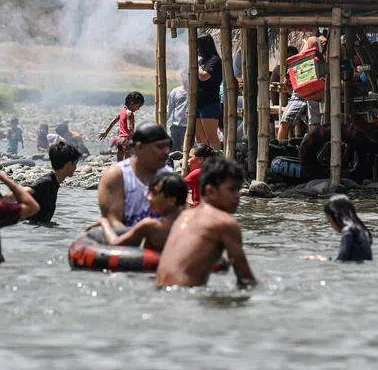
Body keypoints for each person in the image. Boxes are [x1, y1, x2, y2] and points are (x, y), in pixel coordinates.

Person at [156, 155, 256, 288]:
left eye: (238, 189)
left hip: (160, 290)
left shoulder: (184, 216)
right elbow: (246, 279)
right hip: (185, 296)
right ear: (210, 191)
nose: (238, 196)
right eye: (232, 190)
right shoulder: (225, 223)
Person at [97, 123, 173, 230]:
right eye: (160, 146)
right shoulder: (117, 175)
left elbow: (176, 214)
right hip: (123, 237)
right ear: (139, 147)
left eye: (168, 146)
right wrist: (141, 234)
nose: (166, 152)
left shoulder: (168, 174)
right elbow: (113, 221)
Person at [94, 171, 187, 252]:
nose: (149, 197)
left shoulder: (151, 225)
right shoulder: (188, 222)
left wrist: (104, 222)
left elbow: (115, 243)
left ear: (171, 200)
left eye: (154, 193)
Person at [21, 140, 81, 223]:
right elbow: (21, 193)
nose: (76, 167)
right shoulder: (46, 182)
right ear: (68, 164)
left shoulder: (53, 183)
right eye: (75, 162)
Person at [277, 37, 323, 143]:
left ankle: (314, 147)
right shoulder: (298, 60)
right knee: (285, 121)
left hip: (315, 94)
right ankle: (280, 146)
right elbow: (288, 79)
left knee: (314, 124)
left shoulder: (322, 59)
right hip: (299, 94)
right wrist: (288, 80)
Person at [194, 33, 223, 149]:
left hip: (209, 103)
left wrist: (195, 65)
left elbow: (204, 76)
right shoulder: (201, 62)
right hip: (198, 103)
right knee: (200, 139)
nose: (197, 49)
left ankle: (216, 157)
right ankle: (204, 158)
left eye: (198, 46)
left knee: (212, 137)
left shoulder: (214, 61)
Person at [324, 194, 372, 262]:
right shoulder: (363, 231)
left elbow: (342, 259)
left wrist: (323, 260)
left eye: (329, 221)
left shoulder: (347, 232)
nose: (331, 225)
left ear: (336, 217)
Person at [99, 91, 145, 160]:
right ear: (132, 103)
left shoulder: (122, 111)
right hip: (127, 140)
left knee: (120, 162)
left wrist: (106, 132)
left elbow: (113, 122)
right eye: (138, 106)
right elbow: (130, 127)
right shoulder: (130, 113)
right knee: (128, 161)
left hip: (120, 140)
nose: (138, 109)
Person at [166, 78, 189, 152]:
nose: (185, 79)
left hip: (188, 126)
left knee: (186, 148)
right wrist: (163, 121)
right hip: (176, 125)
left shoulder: (194, 91)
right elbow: (169, 108)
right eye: (183, 77)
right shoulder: (175, 91)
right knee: (173, 148)